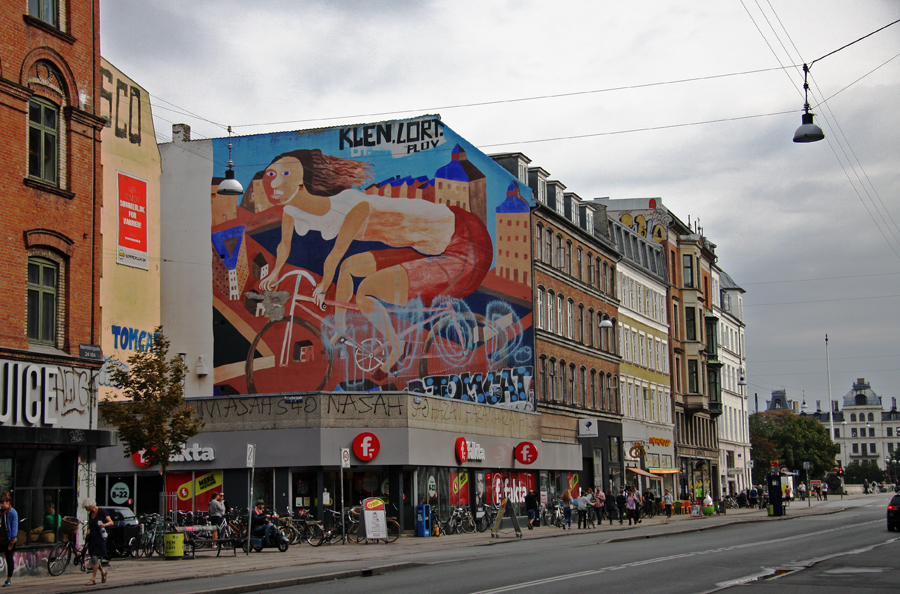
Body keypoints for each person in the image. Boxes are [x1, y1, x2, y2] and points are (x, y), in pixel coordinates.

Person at [258, 149, 494, 375]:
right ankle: (341, 328)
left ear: (302, 181)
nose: (274, 181)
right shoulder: (292, 211)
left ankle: (397, 348)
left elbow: (336, 252)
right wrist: (275, 272)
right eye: (271, 173)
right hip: (427, 247)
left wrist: (323, 286)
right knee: (349, 268)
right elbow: (284, 244)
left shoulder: (352, 205)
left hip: (465, 244)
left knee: (366, 291)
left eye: (285, 173)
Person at [82, 499, 111, 586]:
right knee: (93, 556)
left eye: (86, 508)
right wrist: (88, 532)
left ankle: (93, 579)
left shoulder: (102, 512)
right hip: (92, 537)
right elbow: (90, 525)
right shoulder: (90, 514)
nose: (86, 509)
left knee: (95, 556)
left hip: (100, 537)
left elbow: (111, 522)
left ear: (91, 506)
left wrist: (104, 525)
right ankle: (103, 572)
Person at [0, 493, 18, 587]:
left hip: (9, 540)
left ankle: (9, 579)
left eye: (2, 503)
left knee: (9, 559)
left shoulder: (12, 513)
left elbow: (14, 528)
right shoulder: (1, 512)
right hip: (1, 538)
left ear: (8, 503)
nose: (1, 505)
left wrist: (12, 542)